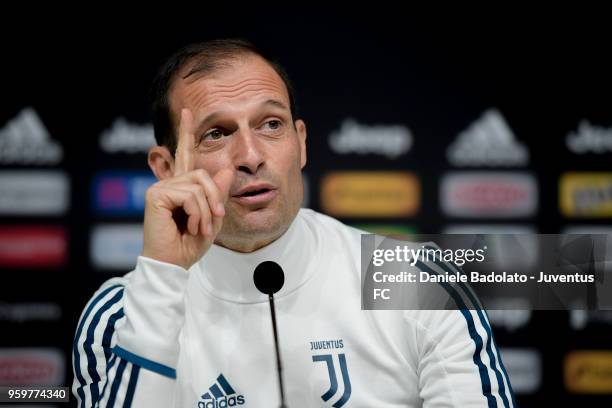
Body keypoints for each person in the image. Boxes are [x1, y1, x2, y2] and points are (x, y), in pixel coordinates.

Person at [72, 39, 515, 407]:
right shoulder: (119, 316)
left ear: (300, 144)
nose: (249, 156)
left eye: (270, 124)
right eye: (217, 133)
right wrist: (163, 279)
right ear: (166, 168)